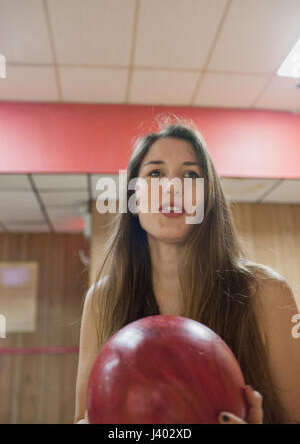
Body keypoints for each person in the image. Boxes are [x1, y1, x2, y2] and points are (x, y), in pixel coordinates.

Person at [74, 115, 300, 424]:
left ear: (208, 199)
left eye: (191, 176)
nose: (172, 187)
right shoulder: (102, 299)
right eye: (155, 173)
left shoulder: (268, 292)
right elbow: (82, 419)